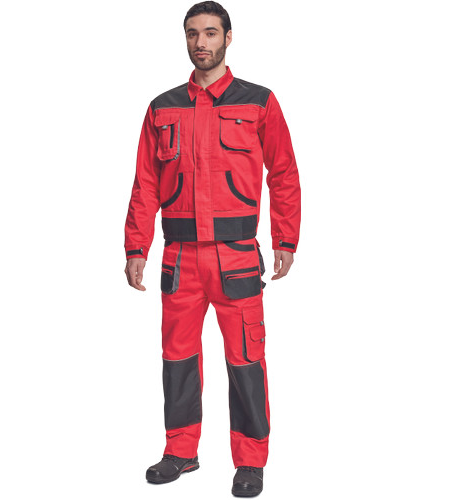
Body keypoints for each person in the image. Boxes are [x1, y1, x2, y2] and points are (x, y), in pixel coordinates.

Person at [123, 1, 301, 496]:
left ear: (228, 38)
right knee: (177, 359)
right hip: (179, 259)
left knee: (246, 361)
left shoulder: (259, 102)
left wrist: (285, 237)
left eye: (210, 33)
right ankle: (180, 451)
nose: (200, 42)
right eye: (192, 33)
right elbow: (145, 183)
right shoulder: (162, 108)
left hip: (236, 256)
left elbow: (283, 172)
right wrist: (136, 246)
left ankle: (251, 461)